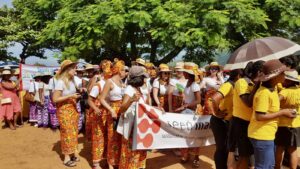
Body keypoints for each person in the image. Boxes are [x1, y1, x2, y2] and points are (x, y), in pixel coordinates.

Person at [248, 59, 296, 169]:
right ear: (274, 77)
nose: (285, 75)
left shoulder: (272, 90)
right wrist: (282, 112)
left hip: (267, 134)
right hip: (261, 135)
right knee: (264, 166)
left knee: (269, 165)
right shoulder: (264, 93)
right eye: (282, 73)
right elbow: (259, 116)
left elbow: (270, 110)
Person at [226, 60, 265, 169]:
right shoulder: (242, 82)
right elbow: (248, 102)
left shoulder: (258, 84)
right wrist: (257, 84)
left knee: (249, 153)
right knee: (242, 154)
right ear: (259, 72)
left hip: (252, 123)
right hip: (240, 123)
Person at [207, 69, 243, 169]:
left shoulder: (234, 86)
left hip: (226, 121)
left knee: (226, 148)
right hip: (220, 121)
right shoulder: (228, 85)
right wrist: (217, 112)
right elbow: (214, 98)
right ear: (238, 76)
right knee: (221, 149)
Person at [118, 65, 148, 169]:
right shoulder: (129, 90)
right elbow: (121, 109)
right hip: (132, 128)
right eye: (143, 77)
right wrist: (131, 100)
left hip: (138, 127)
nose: (144, 80)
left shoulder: (138, 89)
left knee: (138, 151)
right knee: (131, 152)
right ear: (138, 78)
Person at [52, 60, 81, 167]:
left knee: (73, 132)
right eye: (73, 68)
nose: (75, 70)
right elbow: (55, 99)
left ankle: (72, 153)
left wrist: (78, 93)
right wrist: (70, 96)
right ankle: (66, 158)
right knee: (67, 133)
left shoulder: (72, 81)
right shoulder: (61, 82)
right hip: (64, 111)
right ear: (67, 70)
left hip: (72, 109)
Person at [100, 59, 126, 169]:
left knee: (120, 137)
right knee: (112, 138)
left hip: (123, 111)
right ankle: (110, 164)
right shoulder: (109, 82)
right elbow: (101, 99)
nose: (125, 72)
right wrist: (111, 110)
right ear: (119, 71)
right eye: (124, 70)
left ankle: (117, 162)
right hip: (114, 111)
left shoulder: (122, 82)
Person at [174, 62, 202, 168]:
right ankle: (185, 155)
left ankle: (196, 157)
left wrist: (184, 106)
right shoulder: (188, 83)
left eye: (185, 72)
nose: (183, 73)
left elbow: (198, 100)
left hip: (193, 113)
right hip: (187, 112)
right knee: (185, 134)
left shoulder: (195, 85)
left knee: (195, 136)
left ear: (188, 74)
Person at [88, 60, 112, 169]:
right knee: (98, 137)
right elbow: (90, 100)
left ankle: (108, 159)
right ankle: (96, 162)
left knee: (108, 137)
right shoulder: (99, 84)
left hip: (108, 114)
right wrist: (96, 109)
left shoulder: (112, 83)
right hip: (99, 114)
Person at [275, 70, 300, 169]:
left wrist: (280, 109)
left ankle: (277, 167)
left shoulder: (284, 92)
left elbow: (274, 103)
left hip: (282, 125)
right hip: (296, 124)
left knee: (280, 148)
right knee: (293, 150)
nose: (282, 81)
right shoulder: (298, 91)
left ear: (289, 81)